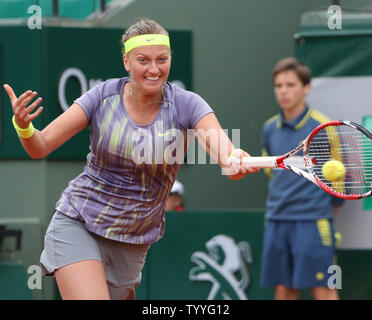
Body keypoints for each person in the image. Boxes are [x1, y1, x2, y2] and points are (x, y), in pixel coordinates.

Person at [4, 18, 257, 300]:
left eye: (162, 59)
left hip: (133, 240)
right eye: (143, 60)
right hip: (79, 221)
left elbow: (226, 157)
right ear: (127, 62)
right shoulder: (101, 96)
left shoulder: (188, 104)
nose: (154, 69)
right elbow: (40, 146)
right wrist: (24, 127)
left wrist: (235, 159)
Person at [260, 57, 343, 300]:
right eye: (279, 85)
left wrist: (323, 213)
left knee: (323, 290)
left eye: (290, 85)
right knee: (283, 290)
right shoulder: (269, 128)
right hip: (277, 219)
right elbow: (270, 171)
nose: (283, 91)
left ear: (306, 87)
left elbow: (339, 181)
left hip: (313, 222)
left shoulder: (323, 127)